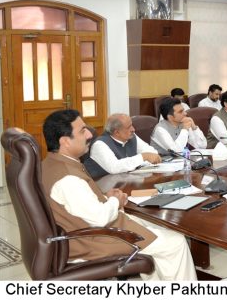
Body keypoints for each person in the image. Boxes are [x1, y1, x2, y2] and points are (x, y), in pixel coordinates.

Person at [42, 110, 197, 280]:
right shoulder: (68, 178)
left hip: (90, 229)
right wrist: (115, 200)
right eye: (82, 131)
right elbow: (99, 218)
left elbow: (77, 205)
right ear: (65, 141)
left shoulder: (51, 164)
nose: (88, 134)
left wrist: (106, 198)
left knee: (161, 228)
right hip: (94, 239)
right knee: (175, 243)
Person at [84, 114, 161, 178]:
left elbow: (152, 152)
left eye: (132, 125)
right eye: (129, 127)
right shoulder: (100, 144)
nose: (133, 129)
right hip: (102, 186)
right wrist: (143, 157)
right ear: (117, 132)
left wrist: (146, 157)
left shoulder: (131, 136)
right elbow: (114, 167)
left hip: (125, 181)